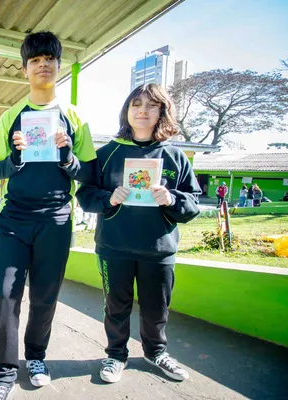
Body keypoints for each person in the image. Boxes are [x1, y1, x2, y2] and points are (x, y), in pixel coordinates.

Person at [0, 31, 97, 400]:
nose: (43, 65)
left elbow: (88, 174)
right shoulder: (10, 116)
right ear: (24, 70)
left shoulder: (75, 117)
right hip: (14, 220)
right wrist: (15, 158)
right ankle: (2, 372)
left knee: (45, 295)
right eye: (35, 60)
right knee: (6, 295)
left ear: (59, 66)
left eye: (49, 59)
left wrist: (67, 155)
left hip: (56, 220)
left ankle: (35, 357)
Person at [76, 83, 201, 384]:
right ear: (127, 111)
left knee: (157, 309)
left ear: (162, 112)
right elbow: (85, 194)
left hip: (159, 250)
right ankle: (116, 354)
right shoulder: (107, 153)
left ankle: (155, 352)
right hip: (114, 248)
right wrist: (109, 198)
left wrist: (171, 199)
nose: (142, 111)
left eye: (151, 105)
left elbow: (193, 202)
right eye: (136, 104)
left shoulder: (174, 156)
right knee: (116, 307)